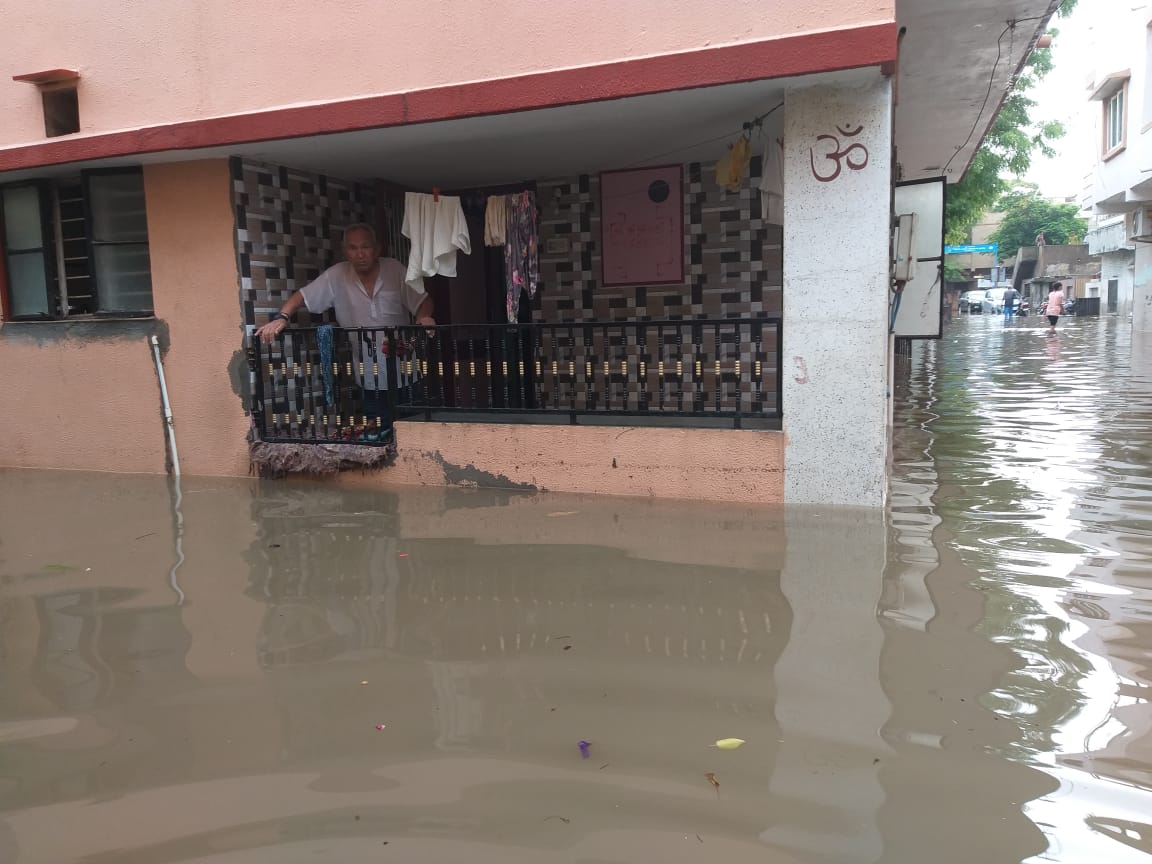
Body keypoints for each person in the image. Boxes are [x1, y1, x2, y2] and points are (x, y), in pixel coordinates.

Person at [254, 223, 435, 435]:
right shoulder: (336, 275)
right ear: (345, 252)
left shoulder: (394, 269)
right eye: (353, 248)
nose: (360, 254)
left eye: (365, 247)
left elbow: (423, 300)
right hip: (369, 375)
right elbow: (302, 295)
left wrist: (424, 318)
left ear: (377, 249)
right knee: (379, 434)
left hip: (406, 370)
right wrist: (282, 317)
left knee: (416, 432)